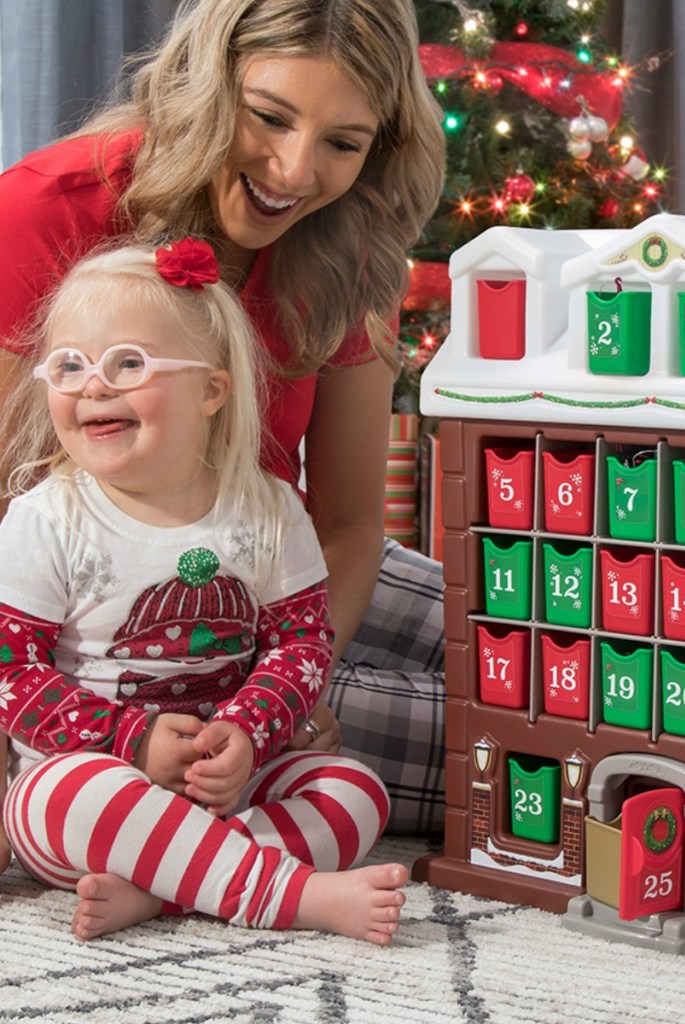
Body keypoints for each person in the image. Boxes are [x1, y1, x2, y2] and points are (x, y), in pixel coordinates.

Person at [0, 0, 449, 853]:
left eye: (342, 143)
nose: (293, 169)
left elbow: (350, 524)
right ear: (204, 85)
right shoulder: (43, 211)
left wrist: (288, 692)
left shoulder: (350, 248)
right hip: (87, 615)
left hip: (283, 569)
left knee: (549, 654)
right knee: (502, 745)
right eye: (270, 117)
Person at [0, 237, 408, 944]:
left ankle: (163, 892)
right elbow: (11, 670)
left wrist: (249, 734)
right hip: (95, 790)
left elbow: (302, 643)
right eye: (69, 366)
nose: (94, 386)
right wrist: (131, 741)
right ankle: (291, 895)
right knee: (58, 798)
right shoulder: (47, 517)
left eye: (129, 364)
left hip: (228, 783)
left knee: (355, 793)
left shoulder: (271, 509)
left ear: (212, 390)